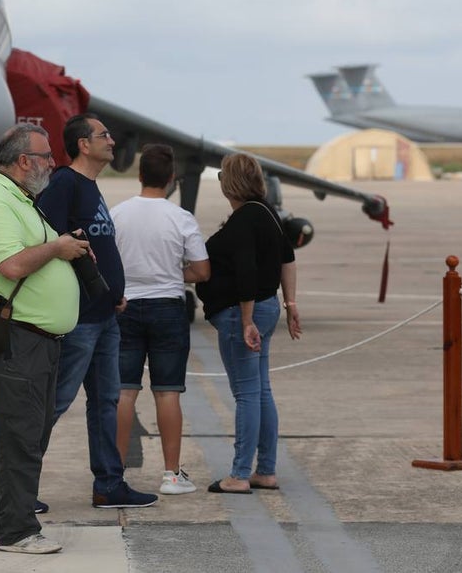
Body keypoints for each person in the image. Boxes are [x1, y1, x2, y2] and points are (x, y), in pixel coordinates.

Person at [0, 123, 89, 555]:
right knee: (22, 438)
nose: (53, 164)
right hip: (19, 338)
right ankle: (17, 532)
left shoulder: (18, 198)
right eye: (46, 156)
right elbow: (11, 265)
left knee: (22, 436)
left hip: (36, 337)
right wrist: (57, 248)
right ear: (24, 161)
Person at [37, 113, 157, 509]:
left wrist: (112, 292)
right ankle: (15, 487)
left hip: (106, 316)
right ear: (83, 145)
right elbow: (47, 240)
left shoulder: (90, 187)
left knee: (106, 401)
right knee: (54, 402)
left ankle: (109, 484)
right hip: (79, 320)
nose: (111, 140)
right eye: (103, 134)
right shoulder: (64, 184)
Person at [196, 153, 301, 494]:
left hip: (243, 313)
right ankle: (266, 470)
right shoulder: (267, 214)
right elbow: (288, 258)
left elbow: (246, 273)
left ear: (230, 183)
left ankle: (240, 474)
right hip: (268, 307)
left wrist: (245, 321)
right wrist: (291, 303)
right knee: (260, 390)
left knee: (246, 394)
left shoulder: (242, 222)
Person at [111, 144, 209, 495]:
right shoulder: (180, 217)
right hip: (167, 307)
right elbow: (201, 270)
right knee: (168, 392)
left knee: (123, 392)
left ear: (140, 175)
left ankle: (115, 472)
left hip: (126, 307)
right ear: (170, 180)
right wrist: (171, 272)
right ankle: (171, 474)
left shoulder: (117, 214)